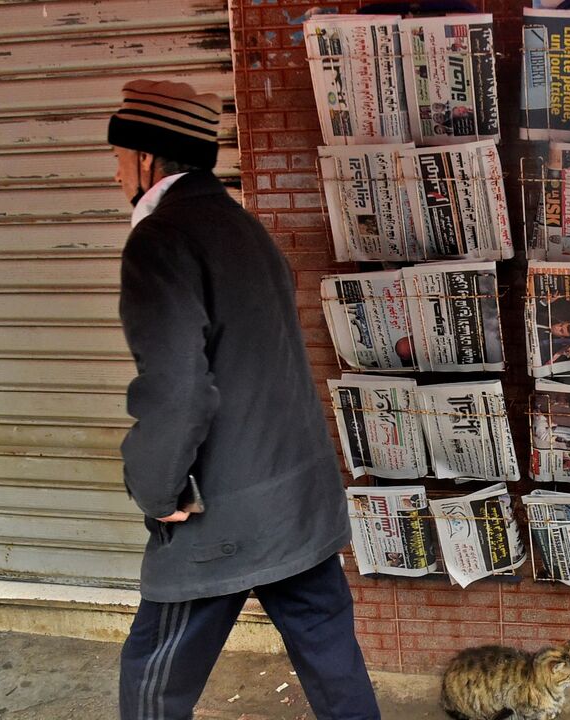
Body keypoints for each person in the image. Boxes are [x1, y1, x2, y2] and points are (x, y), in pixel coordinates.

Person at [109, 79, 380, 720]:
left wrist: (156, 491)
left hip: (225, 512)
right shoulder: (245, 229)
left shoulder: (160, 241)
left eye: (118, 157)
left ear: (146, 159)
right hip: (301, 499)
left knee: (153, 676)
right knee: (335, 668)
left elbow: (177, 389)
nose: (114, 172)